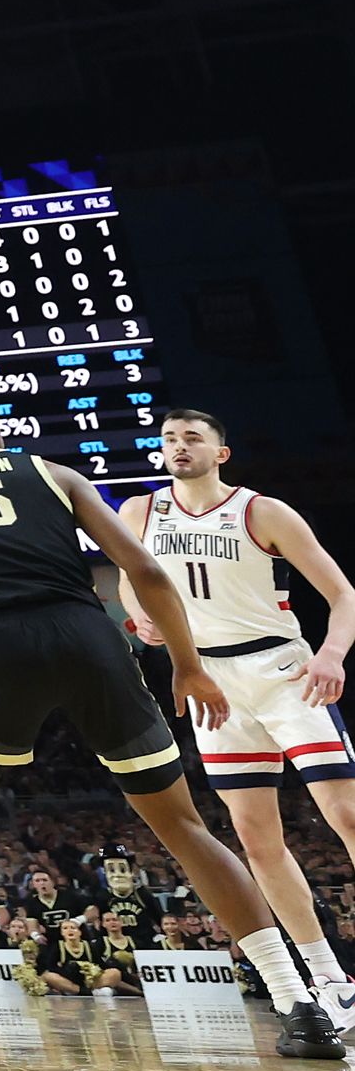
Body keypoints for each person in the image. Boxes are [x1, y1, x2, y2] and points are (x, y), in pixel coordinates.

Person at [0, 360, 340, 1057]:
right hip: (88, 639)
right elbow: (147, 571)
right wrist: (187, 665)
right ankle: (299, 1006)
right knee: (185, 827)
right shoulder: (53, 475)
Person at [121, 407, 355, 1024]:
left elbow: (343, 593)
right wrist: (137, 614)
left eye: (192, 438)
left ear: (221, 452)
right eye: (169, 438)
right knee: (255, 837)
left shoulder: (263, 512)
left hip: (283, 671)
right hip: (208, 680)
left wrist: (331, 652)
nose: (179, 446)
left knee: (346, 813)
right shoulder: (140, 512)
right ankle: (330, 977)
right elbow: (127, 577)